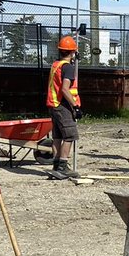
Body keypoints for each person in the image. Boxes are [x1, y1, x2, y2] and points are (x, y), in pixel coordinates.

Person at [45, 35, 81, 179]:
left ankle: (56, 165)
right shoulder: (68, 68)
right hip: (62, 105)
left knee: (57, 136)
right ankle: (62, 166)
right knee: (70, 135)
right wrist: (76, 106)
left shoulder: (56, 65)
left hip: (53, 104)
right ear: (72, 52)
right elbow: (65, 89)